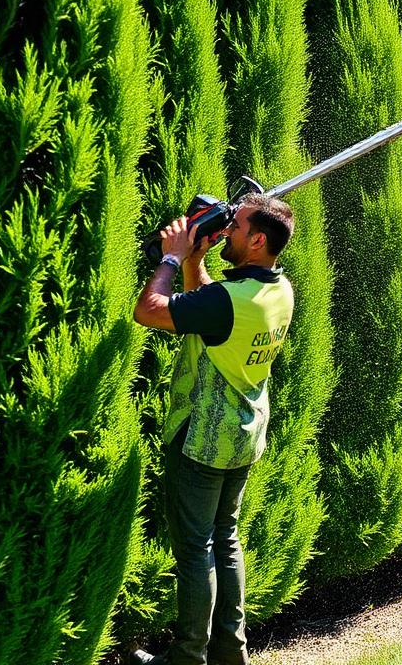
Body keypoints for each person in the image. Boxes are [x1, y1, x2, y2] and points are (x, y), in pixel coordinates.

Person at [131, 193, 295, 665]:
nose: (226, 230)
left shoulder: (229, 300)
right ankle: (230, 653)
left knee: (197, 548)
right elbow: (210, 309)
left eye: (237, 226)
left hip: (203, 438)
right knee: (225, 538)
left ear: (259, 240)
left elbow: (150, 311)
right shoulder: (277, 290)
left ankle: (186, 657)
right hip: (243, 435)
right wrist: (196, 261)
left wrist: (172, 256)